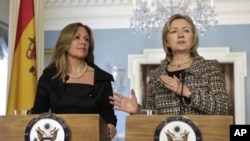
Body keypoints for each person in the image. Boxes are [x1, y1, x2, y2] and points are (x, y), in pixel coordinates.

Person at [109, 14, 232, 115]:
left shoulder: (210, 68)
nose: (180, 35)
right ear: (167, 41)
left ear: (193, 38)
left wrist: (187, 92)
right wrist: (137, 111)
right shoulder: (156, 75)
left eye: (186, 30)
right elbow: (153, 116)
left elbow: (224, 108)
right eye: (174, 31)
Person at [30, 22, 117, 140]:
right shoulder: (49, 77)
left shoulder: (101, 79)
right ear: (65, 43)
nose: (83, 42)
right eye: (77, 37)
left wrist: (110, 125)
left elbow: (108, 115)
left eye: (86, 39)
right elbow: (38, 114)